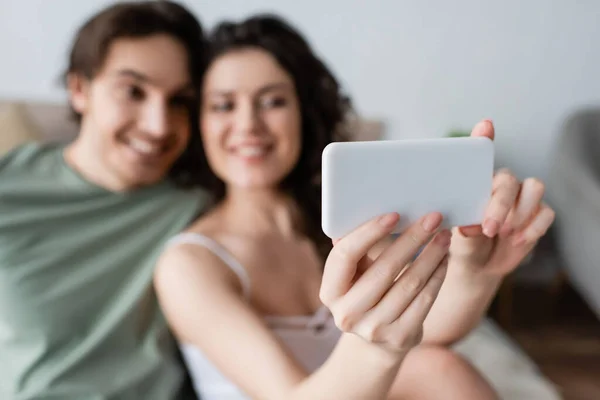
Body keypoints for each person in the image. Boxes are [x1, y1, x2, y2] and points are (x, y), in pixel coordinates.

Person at [154, 14, 556, 400]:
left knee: (439, 366)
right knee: (438, 370)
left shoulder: (341, 220)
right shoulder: (190, 264)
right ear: (198, 125)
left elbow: (426, 335)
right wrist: (377, 351)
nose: (248, 125)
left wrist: (476, 270)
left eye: (272, 101)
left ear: (304, 114)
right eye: (223, 105)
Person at [0, 2, 208, 399]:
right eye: (133, 92)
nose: (158, 125)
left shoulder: (201, 200)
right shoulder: (8, 190)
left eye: (179, 100)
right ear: (79, 89)